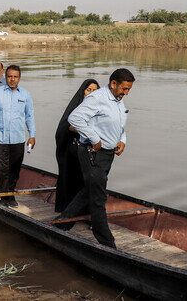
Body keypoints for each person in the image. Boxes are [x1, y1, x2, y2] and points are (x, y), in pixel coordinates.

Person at [56, 69, 135, 249]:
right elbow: (74, 118)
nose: (127, 93)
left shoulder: (118, 100)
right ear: (113, 83)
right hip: (93, 153)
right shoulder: (97, 98)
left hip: (108, 154)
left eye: (129, 89)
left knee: (89, 190)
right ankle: (107, 243)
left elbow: (119, 124)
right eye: (125, 88)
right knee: (98, 198)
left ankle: (62, 224)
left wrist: (122, 140)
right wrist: (94, 137)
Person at [0, 65, 35, 207]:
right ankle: (4, 197)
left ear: (19, 78)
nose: (12, 79)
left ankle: (10, 194)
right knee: (2, 168)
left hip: (18, 138)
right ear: (6, 76)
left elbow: (29, 116)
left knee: (15, 168)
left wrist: (32, 135)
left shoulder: (25, 95)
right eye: (10, 76)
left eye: (15, 77)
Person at [54, 79, 99, 212]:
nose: (91, 94)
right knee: (72, 179)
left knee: (89, 182)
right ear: (83, 92)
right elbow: (68, 126)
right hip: (73, 150)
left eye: (95, 91)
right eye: (88, 90)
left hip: (91, 151)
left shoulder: (100, 109)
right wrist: (91, 131)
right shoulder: (76, 107)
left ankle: (85, 211)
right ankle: (68, 209)